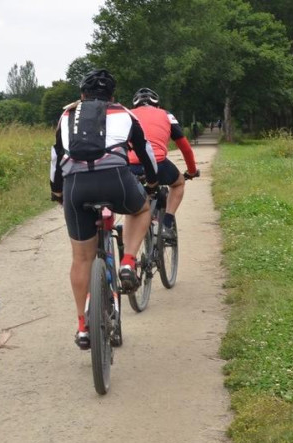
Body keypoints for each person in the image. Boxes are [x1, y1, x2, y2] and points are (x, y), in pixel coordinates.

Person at [49, 69, 158, 349]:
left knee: (81, 259)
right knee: (142, 209)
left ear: (82, 95)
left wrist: (57, 192)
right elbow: (144, 151)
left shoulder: (66, 116)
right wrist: (153, 180)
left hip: (76, 188)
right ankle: (128, 261)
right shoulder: (125, 113)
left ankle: (83, 327)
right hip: (116, 182)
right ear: (112, 96)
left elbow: (56, 158)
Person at [128, 87, 200, 242]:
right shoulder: (166, 115)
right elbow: (186, 149)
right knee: (178, 182)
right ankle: (167, 223)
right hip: (157, 163)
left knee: (135, 196)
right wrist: (192, 171)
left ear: (135, 105)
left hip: (130, 166)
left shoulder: (127, 115)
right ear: (157, 104)